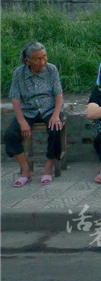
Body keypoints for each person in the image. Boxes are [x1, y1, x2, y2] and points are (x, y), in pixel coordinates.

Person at [5, 42, 65, 187]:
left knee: (55, 129)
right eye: (38, 59)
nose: (43, 62)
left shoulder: (51, 70)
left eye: (44, 57)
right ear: (27, 61)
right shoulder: (19, 73)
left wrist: (56, 115)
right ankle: (25, 171)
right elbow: (15, 99)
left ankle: (48, 166)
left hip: (49, 109)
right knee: (10, 135)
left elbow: (58, 95)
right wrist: (22, 121)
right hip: (28, 110)